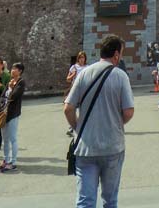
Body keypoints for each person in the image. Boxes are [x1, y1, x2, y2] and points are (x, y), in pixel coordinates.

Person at [64, 34, 134, 208]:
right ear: (116, 54)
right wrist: (116, 123)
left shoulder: (84, 73)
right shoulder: (120, 76)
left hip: (86, 148)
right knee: (110, 201)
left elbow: (68, 108)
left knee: (85, 201)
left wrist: (77, 126)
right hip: (112, 146)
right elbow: (128, 111)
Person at [0, 62, 26, 172]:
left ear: (20, 71)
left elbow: (14, 96)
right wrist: (1, 107)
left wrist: (10, 88)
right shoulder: (10, 81)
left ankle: (13, 162)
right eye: (12, 68)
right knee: (5, 139)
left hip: (13, 114)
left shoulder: (21, 82)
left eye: (15, 69)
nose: (12, 70)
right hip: (4, 113)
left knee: (13, 138)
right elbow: (3, 95)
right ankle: (5, 160)